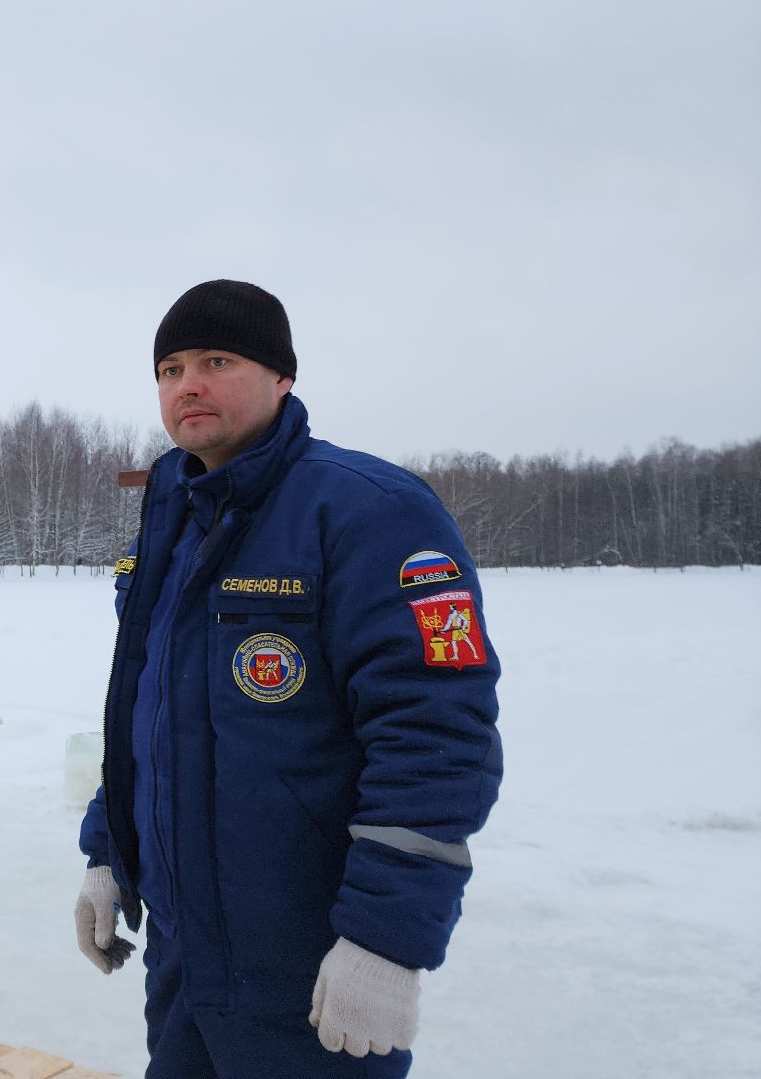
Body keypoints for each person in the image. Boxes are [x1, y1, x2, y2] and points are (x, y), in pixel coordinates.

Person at [72, 281, 502, 1077]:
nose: (187, 383)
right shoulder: (169, 517)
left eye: (217, 360)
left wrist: (384, 940)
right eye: (169, 368)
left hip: (306, 967)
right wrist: (109, 852)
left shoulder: (370, 511)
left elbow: (437, 736)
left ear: (282, 379)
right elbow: (146, 714)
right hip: (184, 957)